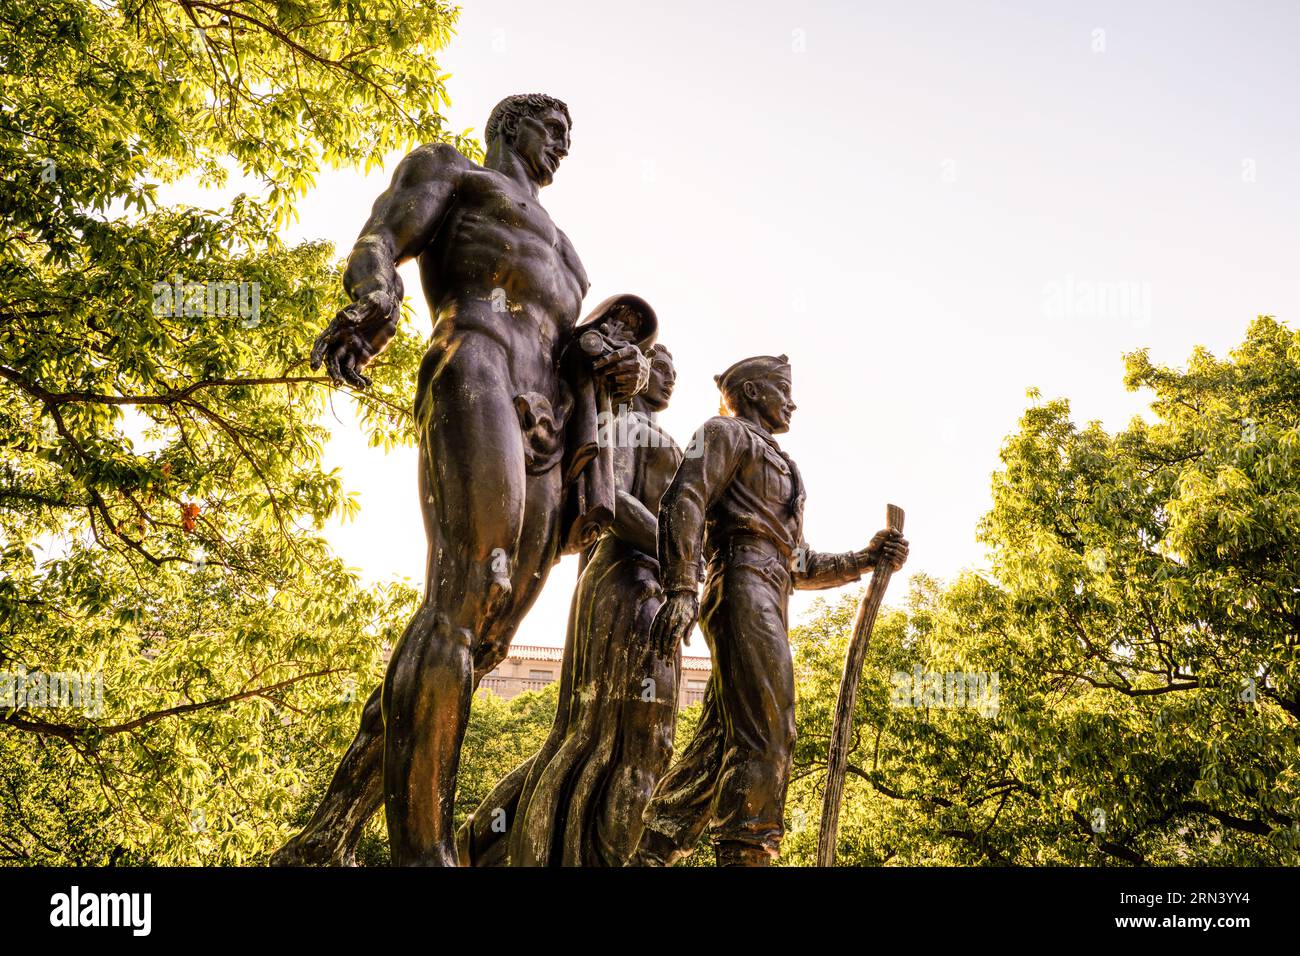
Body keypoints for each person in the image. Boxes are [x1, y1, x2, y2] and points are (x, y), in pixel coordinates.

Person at [296, 93, 650, 866]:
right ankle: (424, 851)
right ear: (508, 126)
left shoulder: (571, 254)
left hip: (550, 422)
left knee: (483, 641)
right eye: (552, 129)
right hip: (476, 362)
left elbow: (568, 345)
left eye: (570, 135)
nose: (562, 145)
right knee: (463, 601)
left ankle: (328, 832)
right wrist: (376, 293)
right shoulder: (454, 172)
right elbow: (380, 238)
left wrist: (617, 362)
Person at [631, 355, 908, 867]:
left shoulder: (782, 464)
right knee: (770, 731)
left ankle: (651, 852)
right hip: (739, 585)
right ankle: (748, 852)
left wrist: (864, 560)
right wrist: (680, 588)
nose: (793, 400)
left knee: (721, 742)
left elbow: (797, 560)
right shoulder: (722, 433)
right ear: (754, 392)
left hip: (771, 595)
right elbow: (684, 499)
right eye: (783, 389)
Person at [458, 345, 685, 866]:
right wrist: (680, 560)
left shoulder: (659, 437)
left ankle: (481, 842)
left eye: (676, 374)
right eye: (662, 369)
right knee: (623, 744)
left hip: (643, 586)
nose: (669, 380)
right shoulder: (625, 427)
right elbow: (615, 503)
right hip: (629, 584)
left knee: (589, 741)